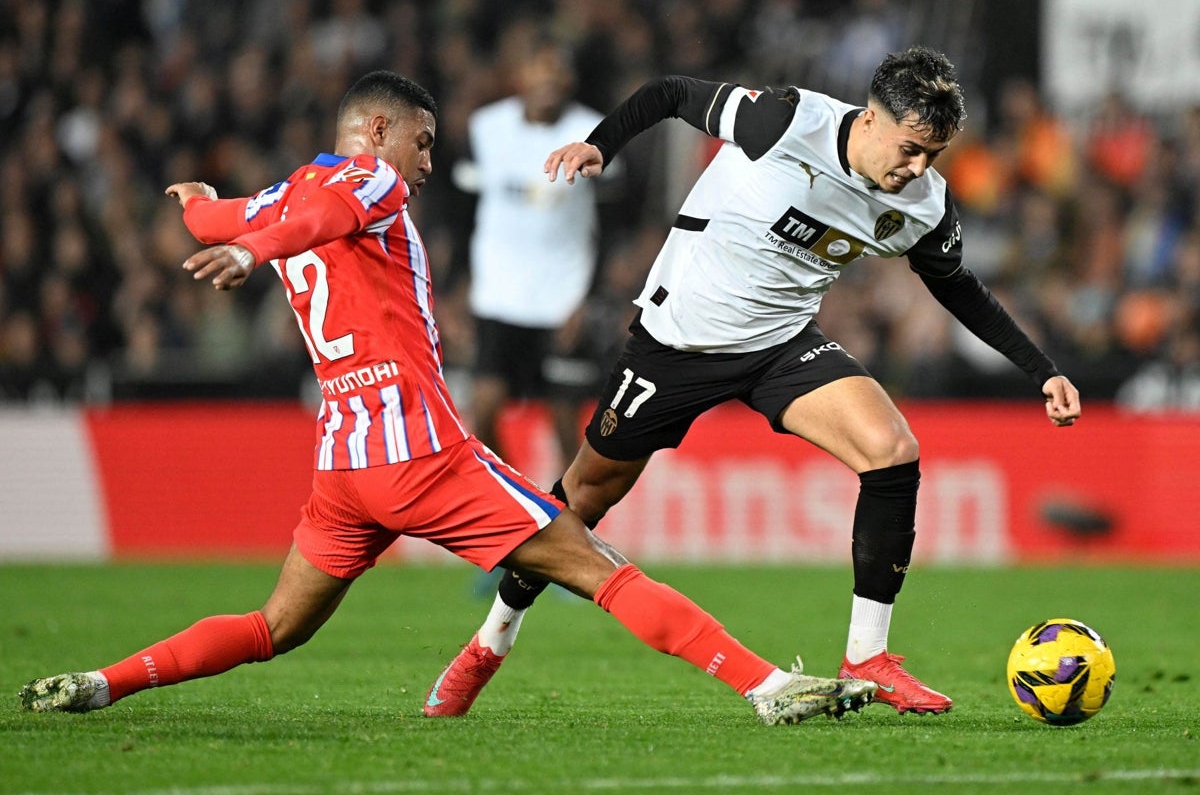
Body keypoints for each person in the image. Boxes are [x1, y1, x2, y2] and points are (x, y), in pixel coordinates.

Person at [17, 70, 876, 727]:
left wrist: (208, 216)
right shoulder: (369, 183)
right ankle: (766, 687)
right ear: (379, 131)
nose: (427, 165)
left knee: (274, 627)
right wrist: (251, 253)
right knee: (599, 569)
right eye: (422, 144)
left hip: (343, 465)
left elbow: (235, 220)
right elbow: (304, 228)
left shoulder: (283, 189)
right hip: (420, 451)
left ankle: (105, 683)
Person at [425, 47, 1082, 718]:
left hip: (780, 345)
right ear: (872, 119)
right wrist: (602, 146)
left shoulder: (923, 204)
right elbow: (673, 90)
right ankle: (488, 644)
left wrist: (1042, 369)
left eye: (933, 156)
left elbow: (957, 288)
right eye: (912, 149)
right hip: (676, 342)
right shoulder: (787, 120)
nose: (918, 168)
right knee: (580, 502)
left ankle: (869, 658)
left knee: (892, 449)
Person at [459, 33, 611, 474]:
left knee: (565, 421)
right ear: (519, 76)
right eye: (537, 69)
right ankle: (517, 503)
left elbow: (614, 221)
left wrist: (590, 298)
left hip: (563, 296)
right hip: (498, 295)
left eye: (556, 70)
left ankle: (572, 521)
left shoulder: (593, 131)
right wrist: (455, 284)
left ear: (569, 79)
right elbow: (462, 208)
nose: (547, 79)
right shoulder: (484, 128)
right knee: (483, 410)